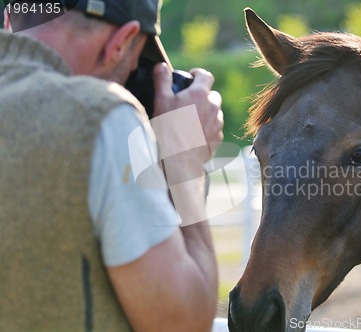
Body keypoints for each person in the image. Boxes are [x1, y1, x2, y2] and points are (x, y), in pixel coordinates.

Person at [0, 0, 223, 331]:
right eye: (136, 62)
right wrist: (184, 164)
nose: (131, 79)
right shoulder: (101, 118)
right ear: (121, 42)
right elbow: (182, 322)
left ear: (8, 19)